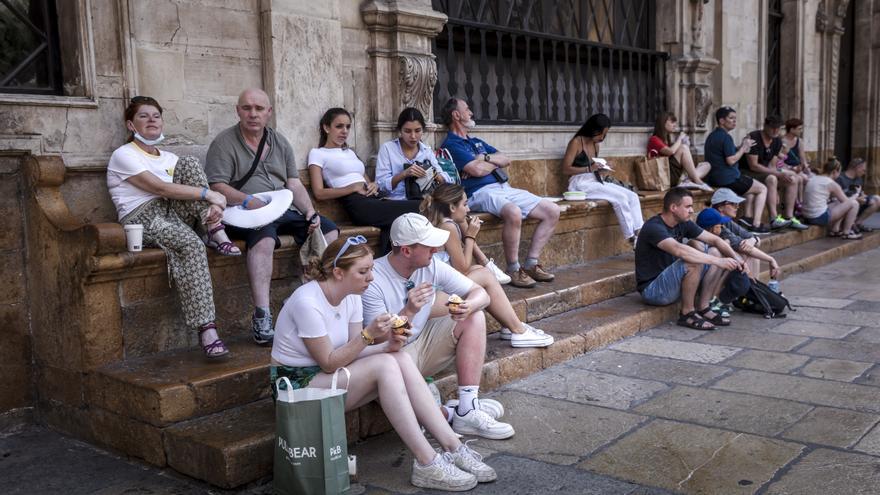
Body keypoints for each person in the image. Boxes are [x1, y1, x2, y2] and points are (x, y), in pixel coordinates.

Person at [270, 237, 496, 491]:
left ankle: (453, 447)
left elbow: (352, 352)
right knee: (385, 367)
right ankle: (427, 462)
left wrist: (387, 346)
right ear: (337, 272)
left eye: (371, 271)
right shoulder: (306, 302)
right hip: (297, 388)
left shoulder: (353, 295)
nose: (371, 278)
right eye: (363, 272)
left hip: (330, 379)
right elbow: (329, 362)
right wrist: (368, 335)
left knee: (397, 357)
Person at [362, 213, 516, 440]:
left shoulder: (431, 264)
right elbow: (378, 341)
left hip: (421, 344)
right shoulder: (373, 280)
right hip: (390, 357)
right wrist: (409, 311)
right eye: (430, 246)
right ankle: (450, 413)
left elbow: (480, 293)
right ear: (406, 251)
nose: (437, 250)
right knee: (418, 415)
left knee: (473, 316)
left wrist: (468, 305)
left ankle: (467, 407)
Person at [206, 88, 340, 346]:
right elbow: (216, 186)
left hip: (282, 207)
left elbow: (294, 183)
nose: (253, 114)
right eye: (247, 108)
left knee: (329, 230)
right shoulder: (224, 142)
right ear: (238, 111)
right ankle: (262, 315)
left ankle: (301, 297)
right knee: (264, 240)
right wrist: (247, 199)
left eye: (259, 109)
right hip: (245, 212)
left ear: (269, 112)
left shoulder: (279, 141)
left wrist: (310, 211)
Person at [108, 96, 231, 358]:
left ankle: (214, 228)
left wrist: (211, 208)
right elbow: (159, 188)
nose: (152, 120)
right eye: (143, 116)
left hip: (171, 211)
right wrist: (209, 196)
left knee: (190, 163)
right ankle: (206, 328)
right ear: (131, 124)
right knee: (190, 244)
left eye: (156, 115)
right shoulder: (124, 155)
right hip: (142, 216)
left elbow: (181, 191)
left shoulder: (170, 157)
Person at [440, 97, 561, 288]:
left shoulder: (477, 142)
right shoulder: (452, 144)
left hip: (504, 188)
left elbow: (506, 159)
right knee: (513, 212)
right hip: (479, 192)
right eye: (467, 109)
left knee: (552, 210)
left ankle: (531, 264)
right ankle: (513, 269)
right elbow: (476, 171)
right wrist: (487, 164)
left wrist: (484, 158)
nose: (471, 113)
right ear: (456, 115)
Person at [420, 184, 554, 348]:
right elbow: (461, 269)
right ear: (452, 207)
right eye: (465, 204)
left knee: (479, 270)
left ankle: (509, 325)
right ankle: (517, 330)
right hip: (433, 297)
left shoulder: (441, 222)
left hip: (436, 287)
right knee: (484, 275)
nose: (468, 209)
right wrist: (470, 236)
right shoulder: (448, 227)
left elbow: (459, 269)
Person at [308, 107, 421, 255]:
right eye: (339, 126)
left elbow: (367, 182)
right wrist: (352, 188)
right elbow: (319, 193)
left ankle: (385, 267)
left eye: (348, 126)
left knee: (394, 226)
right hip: (357, 204)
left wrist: (373, 185)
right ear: (326, 128)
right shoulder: (318, 153)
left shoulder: (350, 152)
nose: (345, 131)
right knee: (423, 205)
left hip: (374, 199)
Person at [635, 187, 750, 331]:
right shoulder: (653, 227)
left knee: (715, 252)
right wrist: (717, 262)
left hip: (672, 283)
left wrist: (737, 259)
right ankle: (687, 313)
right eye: (688, 206)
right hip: (653, 291)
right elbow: (679, 250)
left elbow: (715, 240)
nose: (691, 210)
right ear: (673, 207)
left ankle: (703, 307)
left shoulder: (683, 223)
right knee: (693, 262)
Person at [561, 113, 644, 245]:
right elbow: (565, 169)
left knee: (632, 196)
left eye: (605, 134)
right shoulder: (576, 142)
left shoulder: (596, 145)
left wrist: (603, 168)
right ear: (592, 129)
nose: (602, 137)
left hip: (595, 180)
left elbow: (594, 169)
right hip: (579, 183)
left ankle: (641, 234)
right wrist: (589, 169)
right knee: (620, 199)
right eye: (601, 134)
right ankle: (632, 239)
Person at [703, 106, 771, 233]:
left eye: (735, 118)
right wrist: (744, 148)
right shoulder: (725, 137)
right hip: (728, 178)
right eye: (731, 118)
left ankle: (747, 218)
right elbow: (731, 160)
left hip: (715, 177)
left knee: (751, 190)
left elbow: (729, 154)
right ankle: (756, 225)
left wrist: (742, 146)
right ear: (722, 121)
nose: (734, 121)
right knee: (762, 189)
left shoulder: (712, 136)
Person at [739, 116, 808, 231]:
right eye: (773, 128)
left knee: (792, 179)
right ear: (765, 126)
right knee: (772, 178)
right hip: (747, 173)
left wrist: (776, 185)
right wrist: (777, 175)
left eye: (778, 128)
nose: (776, 131)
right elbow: (753, 166)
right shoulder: (754, 137)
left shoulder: (777, 141)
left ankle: (789, 217)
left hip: (764, 174)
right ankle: (773, 219)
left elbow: (772, 165)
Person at [375, 107, 452, 201]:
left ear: (423, 130)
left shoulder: (426, 151)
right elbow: (380, 185)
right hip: (395, 201)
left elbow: (446, 180)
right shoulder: (388, 149)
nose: (413, 136)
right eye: (407, 131)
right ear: (400, 131)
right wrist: (404, 174)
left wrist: (433, 173)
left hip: (423, 201)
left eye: (417, 130)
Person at [709, 188, 781, 279]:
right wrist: (771, 259)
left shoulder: (727, 221)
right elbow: (740, 245)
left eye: (737, 204)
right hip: (708, 264)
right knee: (747, 253)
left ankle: (754, 289)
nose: (737, 207)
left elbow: (753, 238)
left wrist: (752, 240)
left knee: (751, 251)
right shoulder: (715, 222)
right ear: (720, 207)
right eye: (733, 204)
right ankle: (752, 290)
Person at [646, 112, 712, 190]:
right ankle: (697, 181)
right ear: (663, 123)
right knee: (683, 148)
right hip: (664, 176)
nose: (675, 125)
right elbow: (670, 152)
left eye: (675, 122)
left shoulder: (666, 139)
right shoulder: (654, 139)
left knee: (706, 165)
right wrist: (680, 139)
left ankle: (687, 181)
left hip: (674, 173)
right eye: (672, 122)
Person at [802, 157, 863, 239]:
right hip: (818, 218)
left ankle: (835, 230)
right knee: (854, 204)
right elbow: (847, 202)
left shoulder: (813, 178)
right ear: (834, 172)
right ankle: (847, 232)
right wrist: (856, 194)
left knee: (838, 202)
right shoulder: (831, 183)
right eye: (839, 172)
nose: (839, 175)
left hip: (806, 216)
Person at [836, 157, 879, 232]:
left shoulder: (859, 179)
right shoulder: (840, 179)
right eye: (863, 170)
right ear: (858, 168)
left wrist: (863, 197)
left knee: (877, 199)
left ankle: (857, 223)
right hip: (845, 206)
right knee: (854, 203)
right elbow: (836, 199)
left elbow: (861, 193)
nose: (864, 173)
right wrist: (856, 199)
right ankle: (847, 226)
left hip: (858, 203)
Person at [781, 118, 813, 207]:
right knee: (801, 178)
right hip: (786, 168)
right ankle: (798, 203)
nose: (801, 131)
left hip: (797, 168)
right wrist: (791, 168)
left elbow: (803, 159)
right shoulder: (781, 142)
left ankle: (805, 204)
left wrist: (806, 167)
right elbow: (779, 161)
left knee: (810, 179)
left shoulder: (799, 141)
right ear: (791, 129)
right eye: (799, 129)